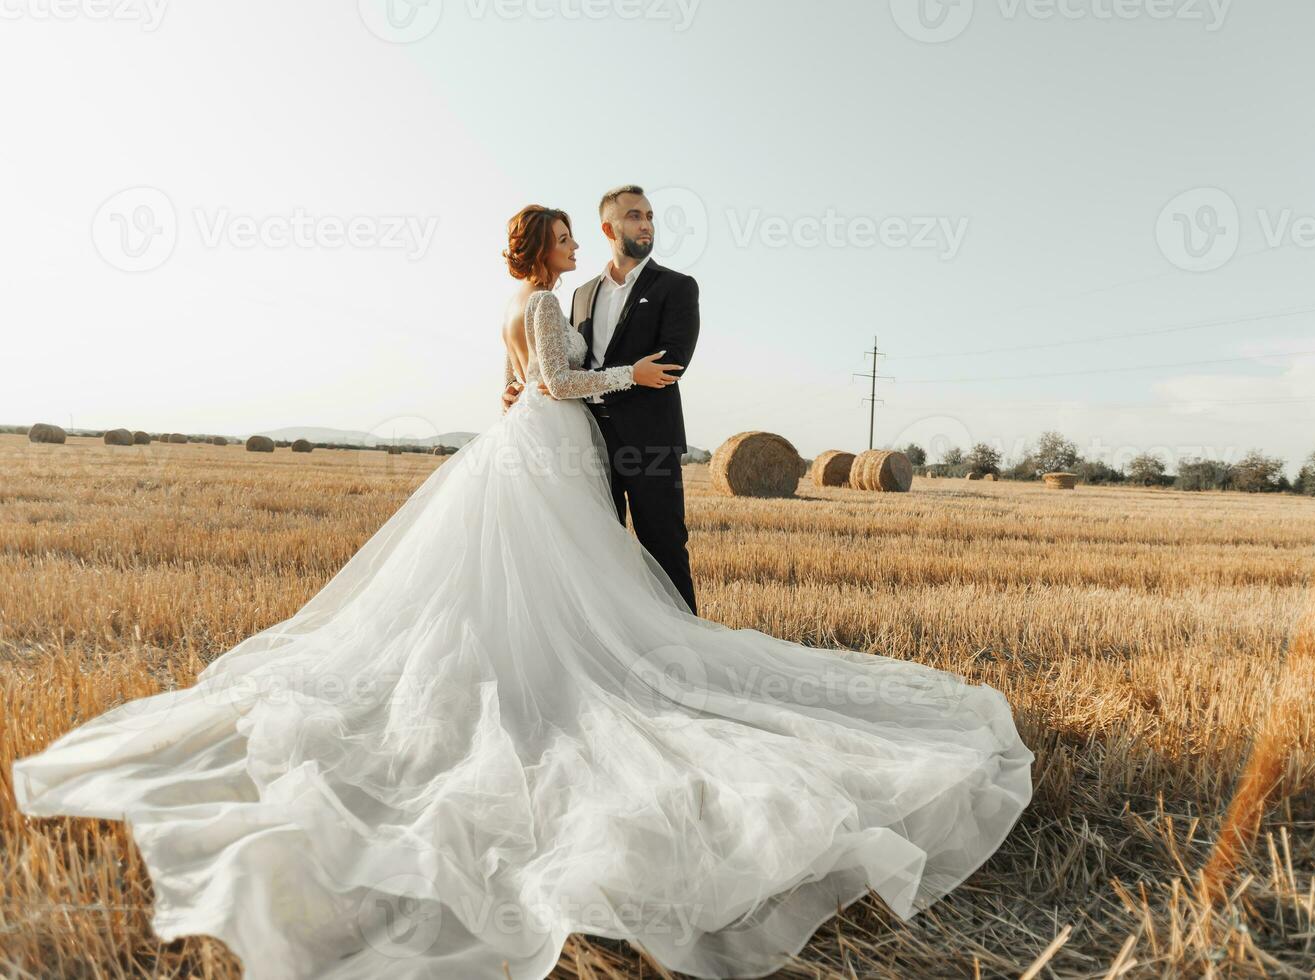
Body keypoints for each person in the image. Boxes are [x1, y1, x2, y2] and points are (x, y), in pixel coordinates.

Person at [11, 201, 1035, 980]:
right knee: (569, 593)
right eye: (561, 235)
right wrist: (627, 378)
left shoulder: (519, 305)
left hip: (527, 448)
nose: (572, 246)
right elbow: (549, 385)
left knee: (546, 587)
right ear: (541, 250)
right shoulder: (545, 303)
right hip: (549, 445)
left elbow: (506, 383)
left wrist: (553, 387)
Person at [502, 185, 699, 615]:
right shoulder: (579, 294)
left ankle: (685, 645)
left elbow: (671, 364)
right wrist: (517, 385)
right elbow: (554, 365)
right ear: (609, 228)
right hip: (585, 443)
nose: (645, 223)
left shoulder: (677, 287)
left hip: (650, 442)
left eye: (649, 215)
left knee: (665, 547)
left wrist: (540, 380)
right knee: (597, 557)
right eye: (634, 216)